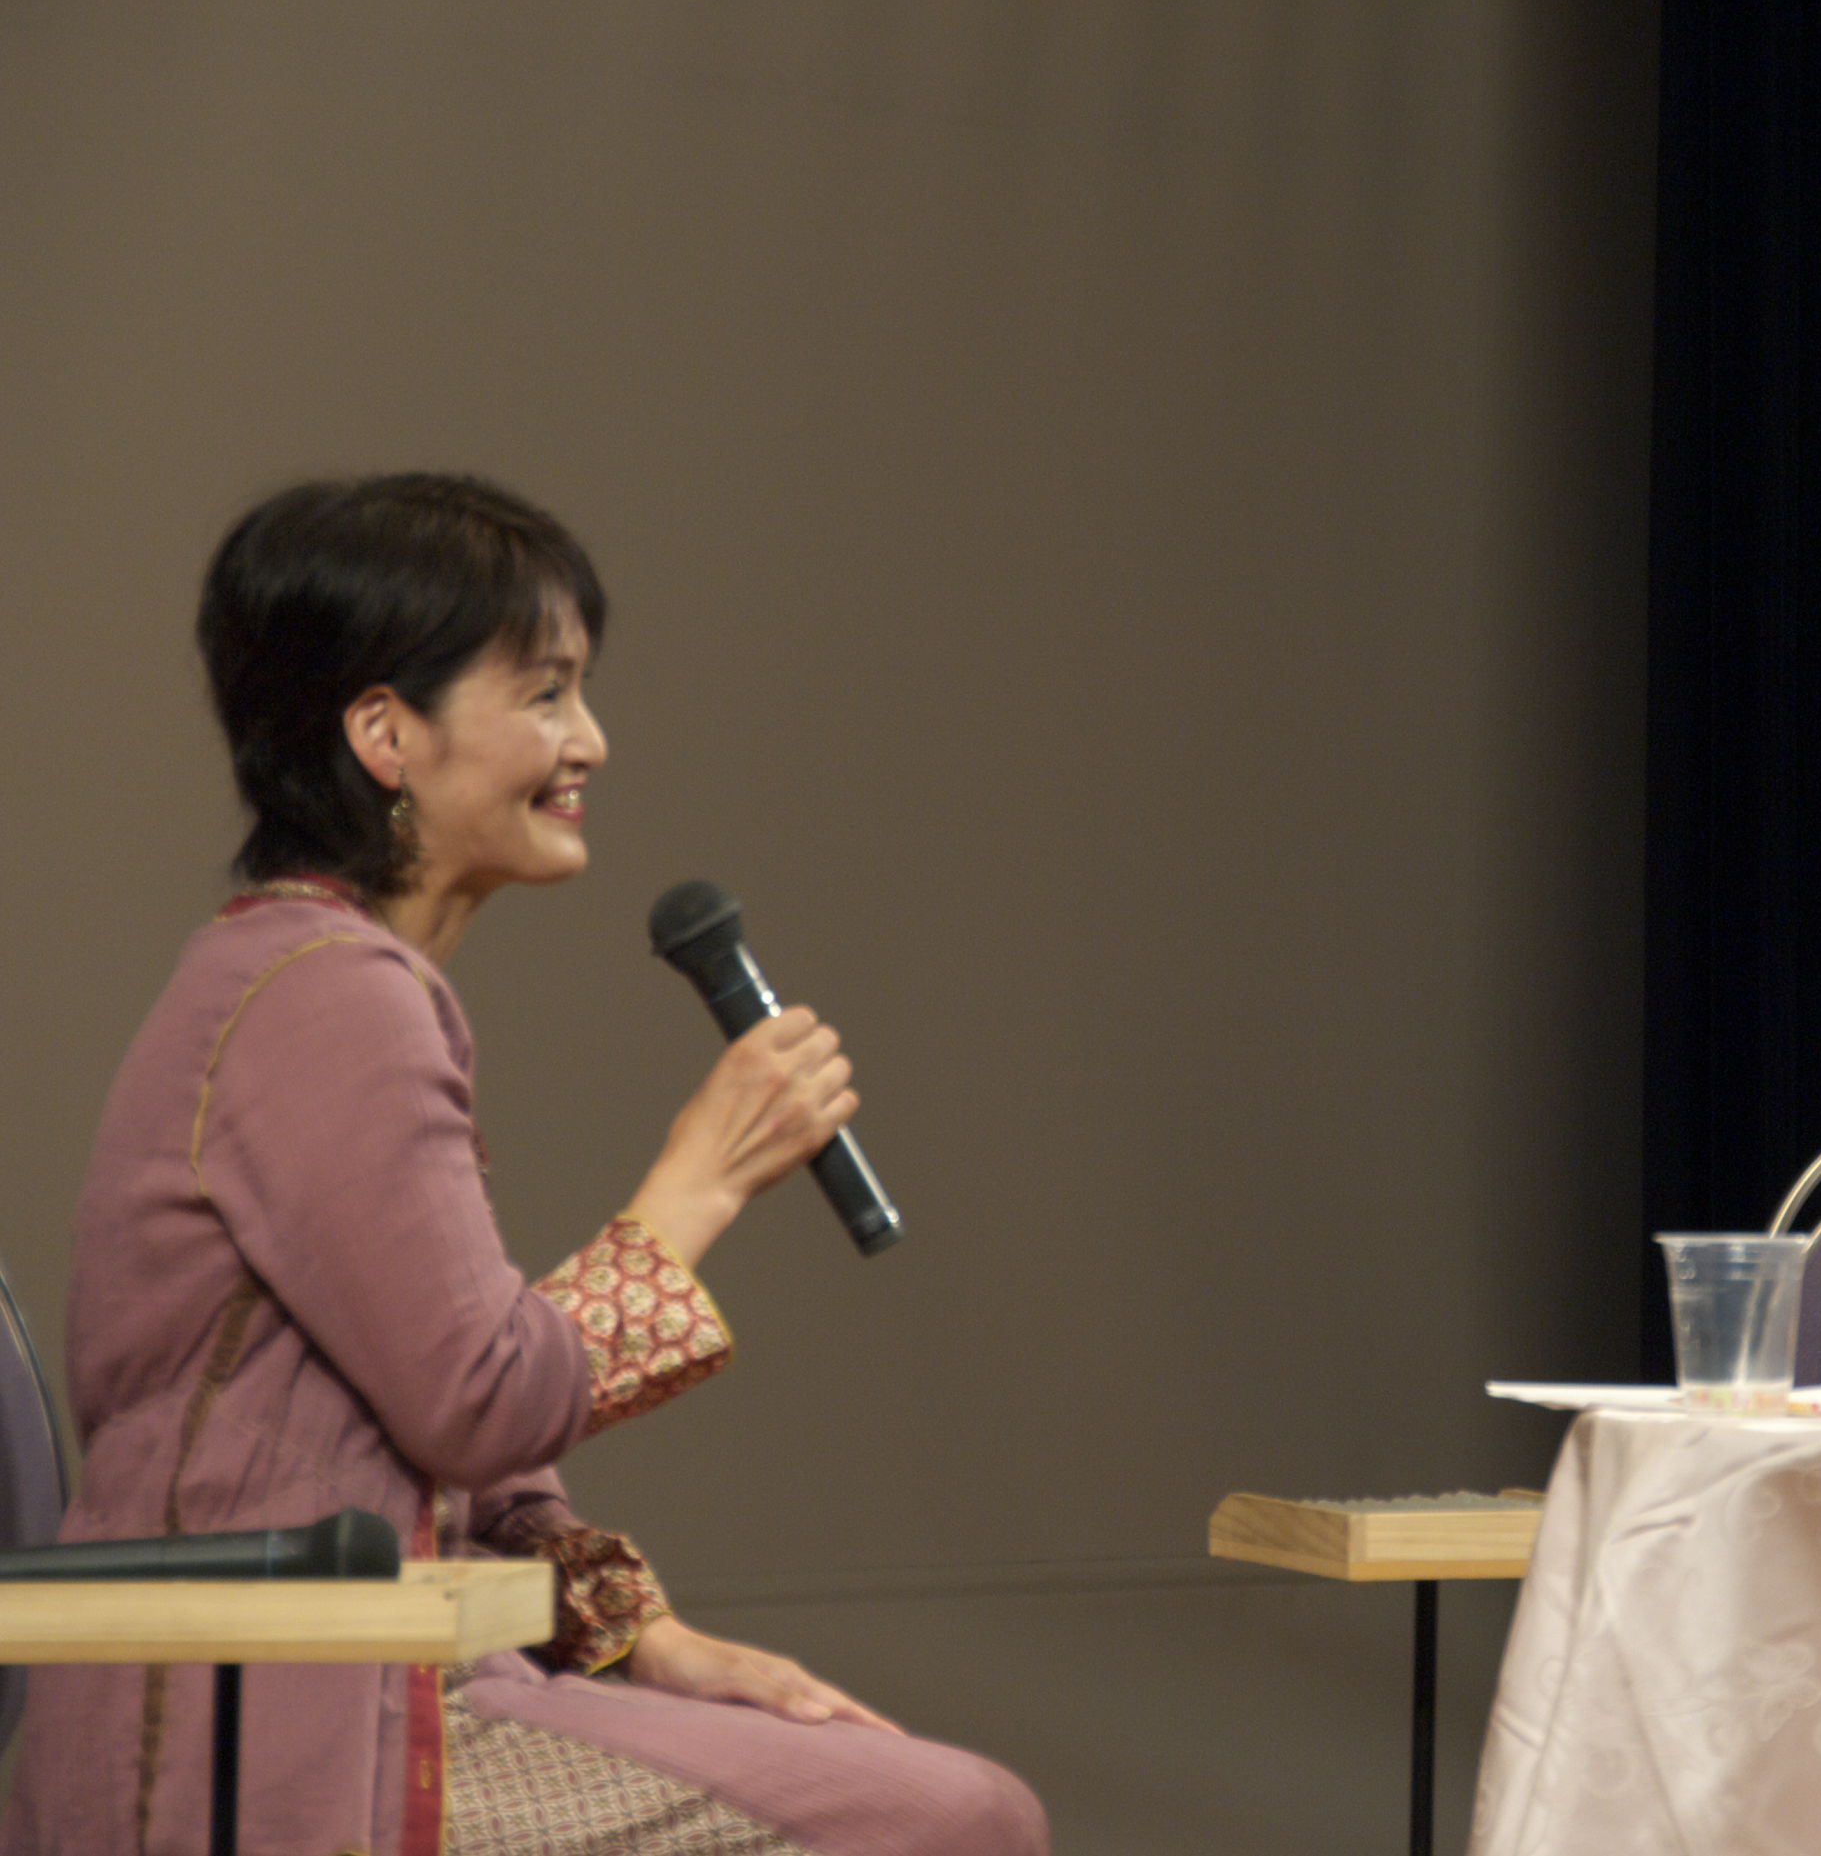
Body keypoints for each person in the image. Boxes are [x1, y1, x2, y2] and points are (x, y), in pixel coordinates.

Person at [2, 475, 1046, 1855]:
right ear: (386, 732)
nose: (591, 740)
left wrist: (644, 1634)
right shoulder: (329, 995)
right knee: (959, 1820)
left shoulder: (310, 975)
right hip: (267, 1731)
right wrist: (700, 1178)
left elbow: (440, 1433)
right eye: (547, 694)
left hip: (363, 1682)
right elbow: (481, 1399)